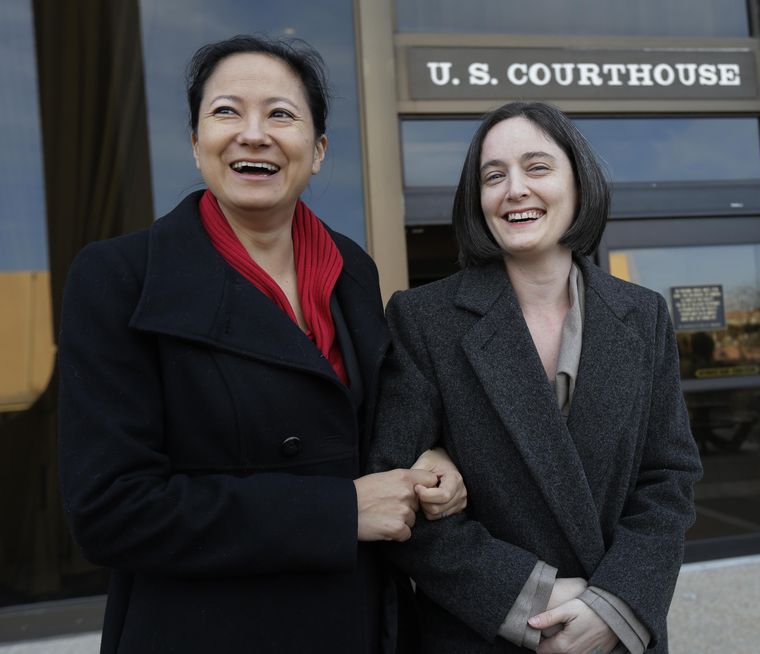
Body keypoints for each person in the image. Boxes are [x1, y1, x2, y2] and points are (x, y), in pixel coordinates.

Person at [58, 35, 466, 654]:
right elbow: (112, 511)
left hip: (357, 624)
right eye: (226, 112)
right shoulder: (119, 278)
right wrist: (336, 511)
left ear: (319, 150)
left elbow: (379, 427)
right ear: (197, 144)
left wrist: (430, 456)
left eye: (281, 114)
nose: (254, 133)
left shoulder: (351, 271)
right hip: (203, 630)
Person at [369, 102, 703, 654]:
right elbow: (397, 494)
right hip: (481, 633)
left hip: (617, 633)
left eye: (537, 167)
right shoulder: (424, 319)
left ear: (578, 182)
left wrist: (614, 606)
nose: (514, 189)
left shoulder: (641, 313)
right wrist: (530, 599)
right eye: (493, 176)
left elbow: (668, 476)